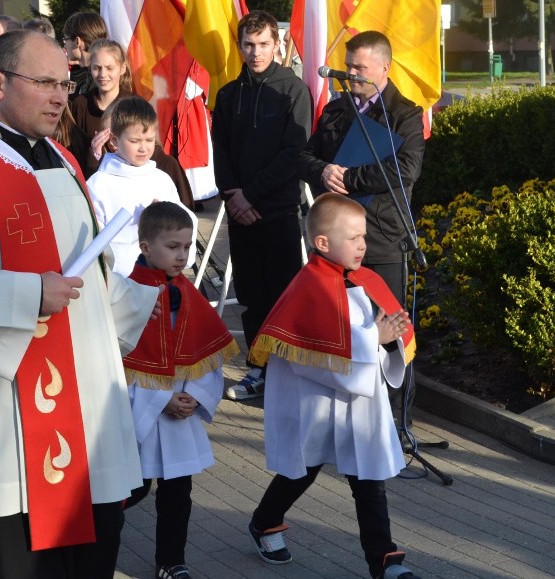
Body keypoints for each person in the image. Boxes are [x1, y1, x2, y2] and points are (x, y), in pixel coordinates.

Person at [0, 29, 160, 579]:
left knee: (92, 544)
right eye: (44, 83)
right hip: (7, 409)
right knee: (15, 556)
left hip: (85, 397)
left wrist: (140, 302)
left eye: (66, 83)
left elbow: (90, 266)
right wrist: (27, 294)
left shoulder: (64, 160)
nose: (61, 96)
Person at [245, 193, 419, 579]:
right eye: (353, 237)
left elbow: (373, 336)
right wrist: (374, 335)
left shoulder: (365, 279)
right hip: (317, 399)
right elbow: (313, 350)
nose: (362, 245)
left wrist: (391, 337)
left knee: (368, 480)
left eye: (364, 236)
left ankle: (384, 561)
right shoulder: (308, 286)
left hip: (358, 404)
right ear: (322, 243)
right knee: (301, 471)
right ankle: (264, 521)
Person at [298, 30, 425, 426]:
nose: (350, 73)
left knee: (389, 329)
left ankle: (395, 425)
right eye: (348, 65)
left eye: (359, 67)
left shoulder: (404, 113)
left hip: (383, 236)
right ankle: (352, 418)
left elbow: (405, 170)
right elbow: (304, 155)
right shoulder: (337, 110)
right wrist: (324, 171)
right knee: (347, 327)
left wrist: (350, 179)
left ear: (383, 68)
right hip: (337, 243)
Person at [122, 201, 238, 579]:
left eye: (187, 247)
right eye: (173, 247)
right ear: (145, 247)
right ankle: (89, 547)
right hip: (139, 414)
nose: (183, 255)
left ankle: (171, 562)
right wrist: (161, 399)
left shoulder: (188, 293)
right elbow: (116, 363)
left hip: (177, 417)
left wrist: (194, 397)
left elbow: (208, 353)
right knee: (128, 492)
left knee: (177, 496)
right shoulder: (126, 295)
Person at [211, 10, 312, 400]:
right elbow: (221, 151)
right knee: (251, 297)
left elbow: (294, 153)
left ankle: (288, 372)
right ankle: (258, 370)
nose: (256, 53)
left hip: (278, 210)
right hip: (240, 214)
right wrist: (233, 194)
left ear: (278, 44)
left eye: (264, 44)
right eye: (248, 45)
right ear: (239, 46)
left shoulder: (292, 90)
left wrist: (251, 195)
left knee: (283, 295)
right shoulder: (228, 94)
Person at [86, 96, 198, 277]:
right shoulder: (99, 185)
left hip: (160, 277)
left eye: (149, 140)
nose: (143, 148)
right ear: (114, 141)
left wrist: (166, 218)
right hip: (120, 280)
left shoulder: (161, 179)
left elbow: (186, 223)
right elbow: (93, 240)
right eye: (135, 141)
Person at [69, 38, 133, 178]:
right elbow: (72, 153)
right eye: (97, 68)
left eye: (110, 68)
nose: (103, 75)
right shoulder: (80, 104)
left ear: (122, 68)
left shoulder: (134, 105)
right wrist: (94, 154)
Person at [61, 12, 108, 97]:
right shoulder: (107, 77)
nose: (65, 44)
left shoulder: (99, 80)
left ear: (77, 41)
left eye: (66, 39)